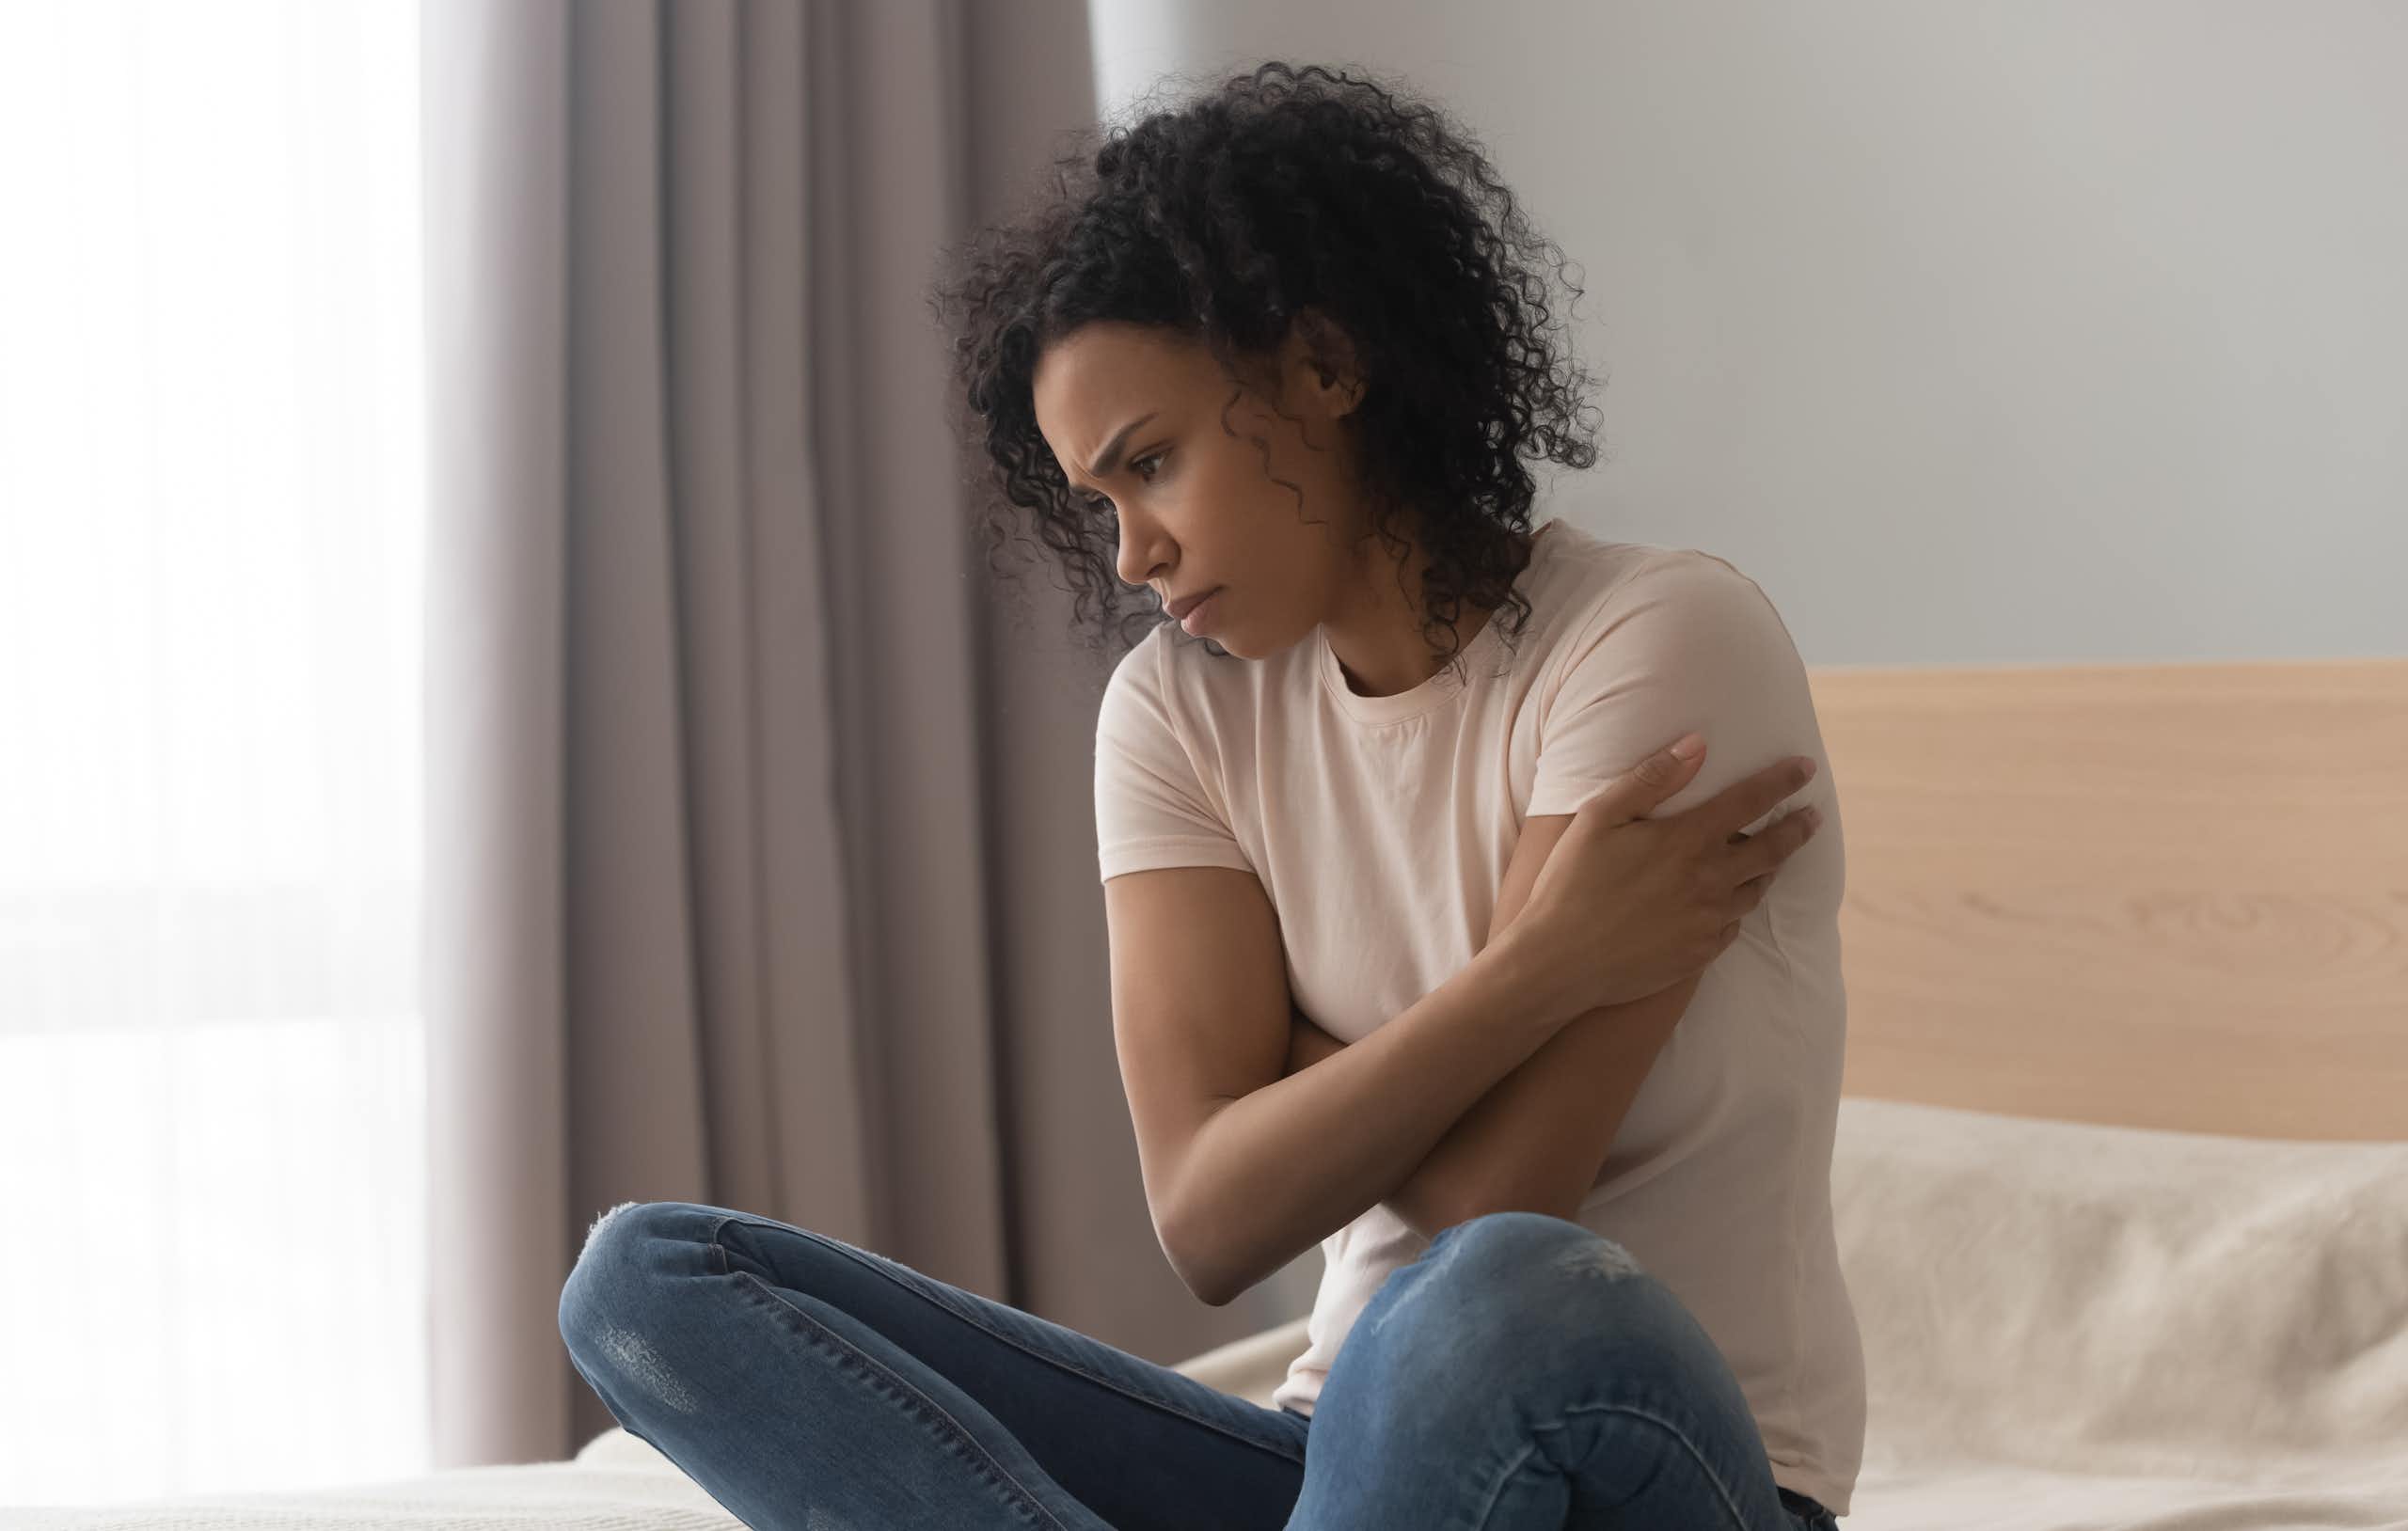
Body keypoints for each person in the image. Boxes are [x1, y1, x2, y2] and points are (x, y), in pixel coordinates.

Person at [561, 59, 1861, 1529]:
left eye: (1155, 464)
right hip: (1336, 1469)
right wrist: (1537, 972)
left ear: (1324, 368)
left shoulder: (1651, 644)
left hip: (1651, 1458)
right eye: (1098, 502)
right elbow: (1210, 1216)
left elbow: (1502, 1199)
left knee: (1494, 1293)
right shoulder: (1178, 715)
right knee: (650, 1283)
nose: (1131, 557)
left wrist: (1300, 1082)